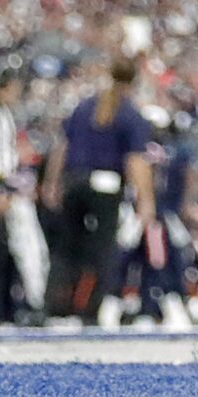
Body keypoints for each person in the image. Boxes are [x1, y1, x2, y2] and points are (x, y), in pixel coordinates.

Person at [41, 57, 155, 324]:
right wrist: (146, 200)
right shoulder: (130, 114)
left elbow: (61, 147)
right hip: (106, 187)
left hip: (74, 182)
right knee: (102, 251)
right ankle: (89, 311)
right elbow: (135, 161)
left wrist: (52, 183)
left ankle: (55, 308)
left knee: (66, 248)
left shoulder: (84, 107)